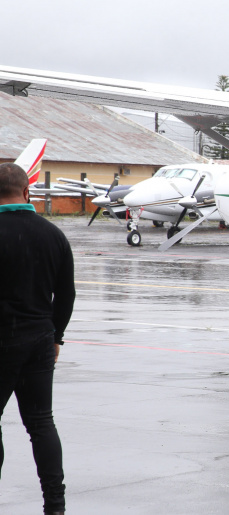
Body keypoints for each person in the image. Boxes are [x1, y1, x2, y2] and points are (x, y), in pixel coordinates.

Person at [0, 163, 74, 515]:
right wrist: (56, 336)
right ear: (27, 192)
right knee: (41, 423)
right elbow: (67, 294)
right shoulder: (53, 235)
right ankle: (55, 505)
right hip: (39, 340)